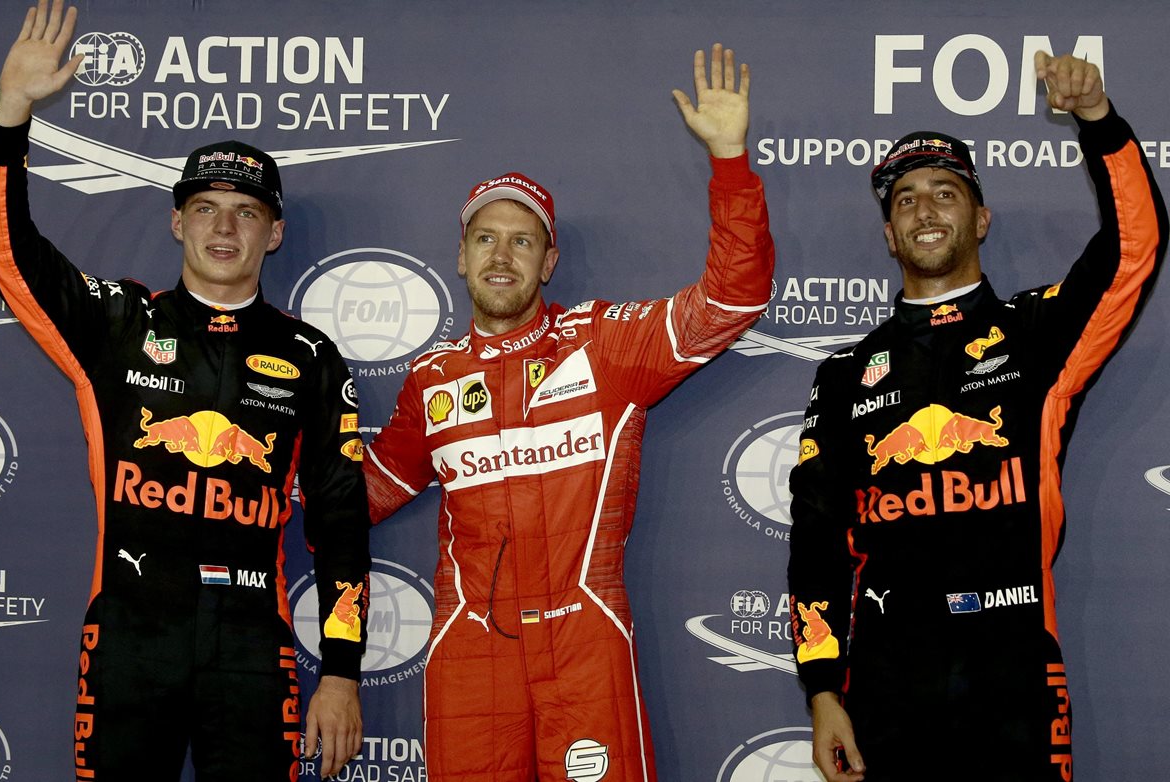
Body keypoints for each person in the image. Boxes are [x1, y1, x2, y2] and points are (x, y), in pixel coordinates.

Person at [0, 2, 370, 779]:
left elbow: (343, 529)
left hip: (253, 651)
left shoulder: (312, 357)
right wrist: (11, 116)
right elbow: (5, 250)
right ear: (177, 221)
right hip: (129, 642)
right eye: (207, 209)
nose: (226, 229)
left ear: (274, 232)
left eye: (247, 213)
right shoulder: (118, 322)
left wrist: (344, 672)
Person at [361, 43, 773, 781]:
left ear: (548, 263)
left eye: (523, 241)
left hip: (585, 637)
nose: (501, 256)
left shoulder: (604, 344)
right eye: (485, 238)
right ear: (460, 257)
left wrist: (730, 160)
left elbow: (732, 299)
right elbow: (368, 491)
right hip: (470, 649)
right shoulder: (432, 379)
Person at [787, 51, 1167, 782]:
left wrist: (1097, 120)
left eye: (945, 192)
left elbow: (1133, 250)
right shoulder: (841, 377)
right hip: (887, 684)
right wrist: (823, 690)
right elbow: (817, 545)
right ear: (890, 237)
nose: (925, 209)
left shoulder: (1040, 333)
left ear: (982, 217)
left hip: (1013, 672)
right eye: (904, 200)